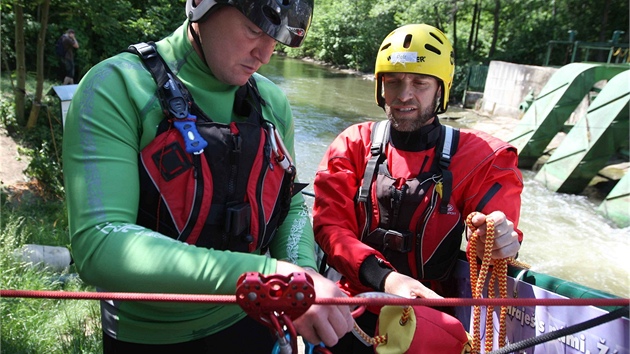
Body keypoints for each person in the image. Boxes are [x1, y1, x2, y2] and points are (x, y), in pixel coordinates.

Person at [62, 0, 353, 352]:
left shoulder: (273, 103)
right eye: (254, 30)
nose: (264, 53)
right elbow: (100, 243)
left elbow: (289, 206)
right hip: (150, 337)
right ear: (201, 5)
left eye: (275, 38)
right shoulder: (117, 87)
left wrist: (302, 278)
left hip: (257, 321)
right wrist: (271, 278)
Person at [312, 23, 524, 354]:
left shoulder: (483, 159)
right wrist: (386, 279)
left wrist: (499, 242)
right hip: (353, 308)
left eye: (420, 83)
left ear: (441, 90)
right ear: (380, 86)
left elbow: (495, 232)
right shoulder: (353, 144)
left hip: (430, 318)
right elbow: (330, 226)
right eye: (393, 82)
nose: (404, 95)